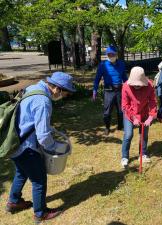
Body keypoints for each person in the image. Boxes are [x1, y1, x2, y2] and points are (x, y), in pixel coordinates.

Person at [6, 72, 76, 223]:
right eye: (64, 92)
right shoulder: (43, 101)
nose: (63, 96)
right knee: (39, 179)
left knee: (21, 172)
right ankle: (40, 213)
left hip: (13, 142)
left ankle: (14, 201)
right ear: (57, 88)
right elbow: (43, 136)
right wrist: (56, 148)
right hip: (26, 147)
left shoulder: (33, 88)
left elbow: (31, 119)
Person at [121, 66, 157, 168]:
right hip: (130, 114)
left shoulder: (149, 85)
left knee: (144, 135)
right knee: (128, 135)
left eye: (139, 84)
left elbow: (153, 102)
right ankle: (125, 157)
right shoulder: (125, 87)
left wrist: (151, 116)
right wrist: (134, 117)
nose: (136, 86)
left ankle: (143, 154)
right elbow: (125, 106)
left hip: (144, 113)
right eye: (135, 84)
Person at [93, 45, 128, 135]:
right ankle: (107, 127)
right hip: (109, 91)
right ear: (107, 55)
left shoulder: (121, 64)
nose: (111, 56)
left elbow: (125, 78)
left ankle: (120, 126)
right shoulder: (103, 65)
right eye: (109, 54)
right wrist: (94, 90)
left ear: (116, 54)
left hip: (120, 90)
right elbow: (97, 79)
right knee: (107, 111)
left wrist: (129, 89)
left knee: (121, 110)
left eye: (113, 54)